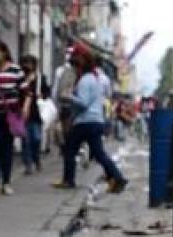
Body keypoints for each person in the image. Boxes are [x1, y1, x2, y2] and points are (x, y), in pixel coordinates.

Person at [52, 43, 127, 193]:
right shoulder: (94, 78)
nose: (74, 69)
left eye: (75, 65)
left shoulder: (86, 80)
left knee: (70, 149)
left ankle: (69, 180)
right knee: (98, 153)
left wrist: (69, 97)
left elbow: (83, 103)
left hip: (85, 121)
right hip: (95, 120)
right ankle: (117, 177)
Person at [0, 41, 27, 195]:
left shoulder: (15, 70)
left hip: (10, 115)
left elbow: (25, 91)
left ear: (5, 53)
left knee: (6, 148)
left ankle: (6, 181)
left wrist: (24, 108)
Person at [19, 54, 44, 174]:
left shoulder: (40, 78)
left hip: (36, 112)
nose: (28, 66)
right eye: (25, 63)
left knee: (36, 138)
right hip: (23, 112)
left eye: (30, 63)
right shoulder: (20, 77)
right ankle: (28, 164)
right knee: (26, 140)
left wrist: (42, 95)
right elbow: (19, 90)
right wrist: (27, 81)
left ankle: (36, 158)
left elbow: (46, 91)